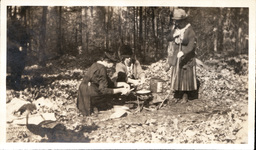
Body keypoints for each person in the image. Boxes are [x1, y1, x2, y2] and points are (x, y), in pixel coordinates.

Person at [77, 51, 131, 116]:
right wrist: (121, 90)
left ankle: (94, 106)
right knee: (109, 97)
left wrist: (123, 84)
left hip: (82, 93)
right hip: (89, 94)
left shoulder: (95, 65)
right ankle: (95, 106)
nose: (113, 66)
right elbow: (103, 90)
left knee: (109, 92)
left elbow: (109, 83)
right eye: (113, 63)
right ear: (107, 61)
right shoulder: (102, 69)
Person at [166, 8, 197, 103]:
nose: (176, 23)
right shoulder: (176, 28)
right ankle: (178, 93)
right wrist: (174, 35)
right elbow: (168, 38)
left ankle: (185, 95)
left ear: (183, 20)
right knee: (177, 73)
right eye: (175, 21)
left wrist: (184, 52)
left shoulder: (189, 30)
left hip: (186, 57)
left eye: (178, 21)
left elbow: (192, 45)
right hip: (177, 55)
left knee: (185, 76)